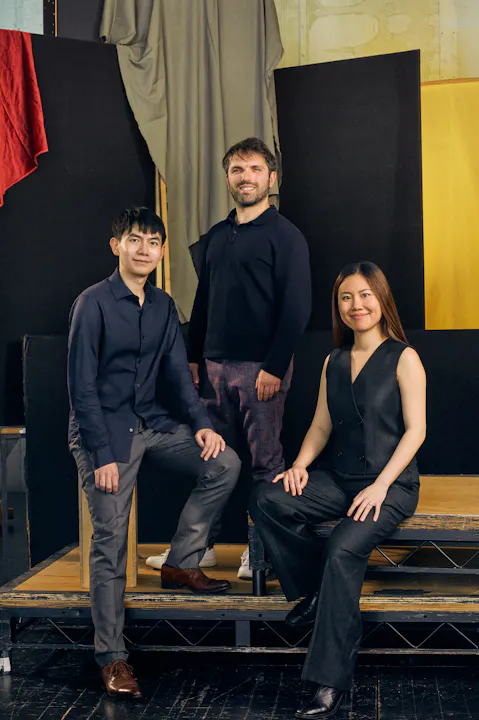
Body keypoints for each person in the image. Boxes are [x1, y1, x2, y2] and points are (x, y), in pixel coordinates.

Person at [68, 207, 241, 699]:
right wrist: (101, 454)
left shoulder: (163, 305)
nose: (144, 249)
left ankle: (180, 561)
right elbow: (81, 387)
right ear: (116, 246)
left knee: (224, 463)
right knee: (110, 542)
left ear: (162, 252)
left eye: (153, 242)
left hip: (150, 424)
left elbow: (178, 377)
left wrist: (202, 426)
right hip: (104, 434)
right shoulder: (92, 304)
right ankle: (111, 656)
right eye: (135, 240)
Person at [249, 262, 426, 718]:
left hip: (390, 484)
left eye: (365, 295)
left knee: (343, 548)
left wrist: (382, 486)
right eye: (346, 297)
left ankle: (329, 682)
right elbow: (321, 425)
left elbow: (416, 431)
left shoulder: (404, 357)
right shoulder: (334, 361)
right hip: (340, 478)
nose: (356, 305)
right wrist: (299, 466)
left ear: (381, 299)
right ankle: (316, 593)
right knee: (268, 498)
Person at [144, 137, 312, 579]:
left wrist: (274, 366)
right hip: (213, 367)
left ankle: (260, 553)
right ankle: (199, 548)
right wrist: (193, 357)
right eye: (238, 170)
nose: (246, 177)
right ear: (227, 179)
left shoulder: (287, 237)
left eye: (255, 169)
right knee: (212, 462)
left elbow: (297, 308)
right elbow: (203, 303)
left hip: (261, 370)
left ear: (270, 179)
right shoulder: (218, 237)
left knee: (265, 464)